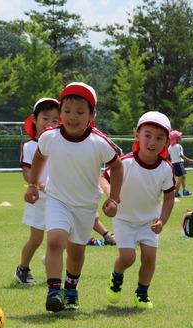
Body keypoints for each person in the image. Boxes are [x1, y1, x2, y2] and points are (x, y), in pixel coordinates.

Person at [24, 82, 123, 312]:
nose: (72, 117)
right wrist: (32, 184)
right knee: (55, 240)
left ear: (92, 114)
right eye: (67, 111)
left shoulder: (99, 142)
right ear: (60, 113)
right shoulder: (50, 137)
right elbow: (39, 157)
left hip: (85, 206)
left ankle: (71, 287)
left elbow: (117, 167)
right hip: (57, 199)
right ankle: (53, 290)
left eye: (80, 112)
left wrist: (114, 199)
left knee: (77, 251)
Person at [103, 112, 175, 309]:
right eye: (148, 135)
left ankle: (142, 294)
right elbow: (103, 178)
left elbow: (169, 198)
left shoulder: (166, 169)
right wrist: (111, 196)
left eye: (160, 138)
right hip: (124, 220)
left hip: (149, 222)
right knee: (128, 258)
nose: (153, 142)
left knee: (149, 260)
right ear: (137, 135)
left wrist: (162, 221)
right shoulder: (125, 162)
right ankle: (116, 279)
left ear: (167, 142)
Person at [15, 97, 60, 285]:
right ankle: (22, 269)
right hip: (38, 200)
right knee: (36, 239)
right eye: (45, 118)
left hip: (58, 200)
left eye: (55, 120)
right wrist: (37, 185)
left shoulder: (60, 144)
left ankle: (50, 260)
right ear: (35, 119)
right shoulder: (30, 146)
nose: (49, 124)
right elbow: (27, 173)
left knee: (61, 238)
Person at [168, 130, 193, 197]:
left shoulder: (170, 147)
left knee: (183, 177)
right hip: (179, 164)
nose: (181, 137)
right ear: (176, 138)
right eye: (179, 136)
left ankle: (185, 190)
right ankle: (176, 193)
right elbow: (181, 155)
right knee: (180, 179)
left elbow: (169, 155)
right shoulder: (178, 146)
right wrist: (189, 160)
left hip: (174, 164)